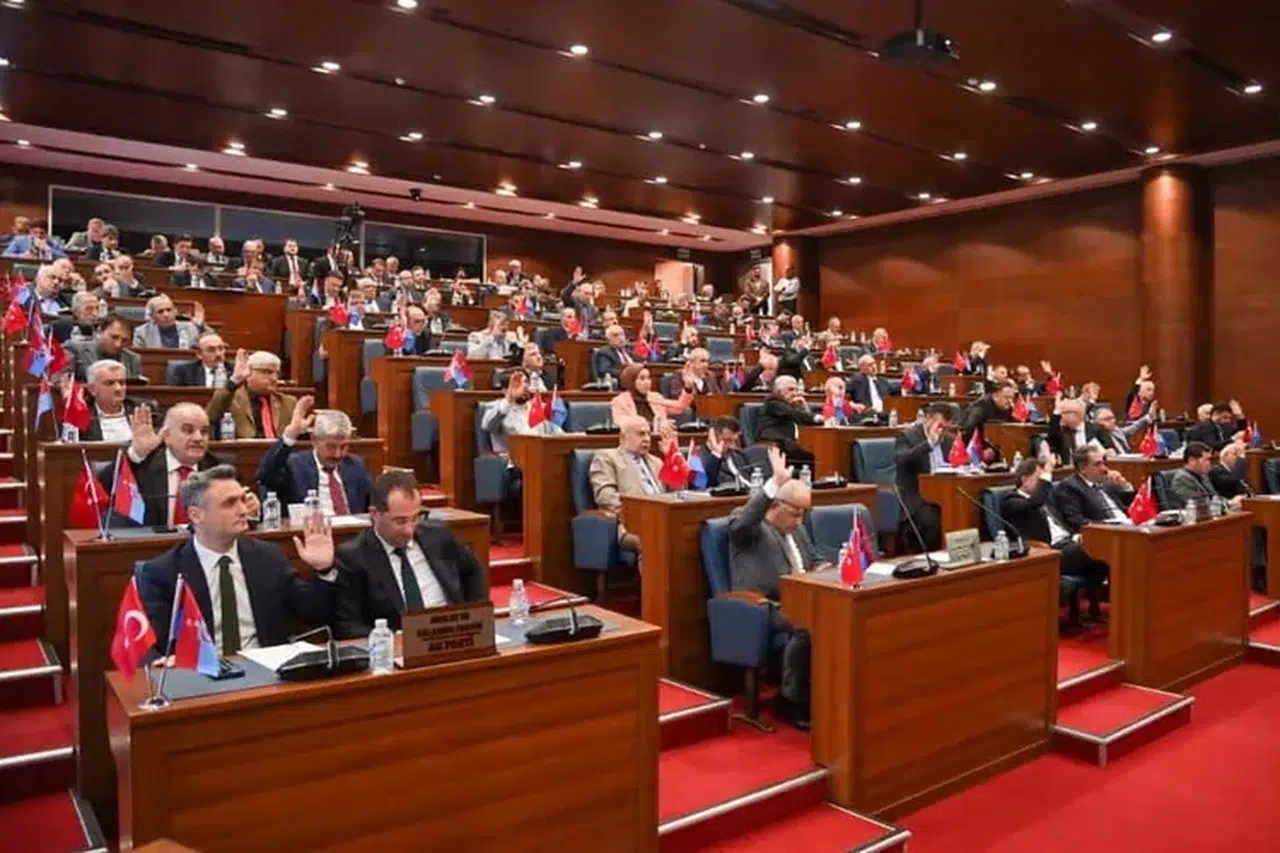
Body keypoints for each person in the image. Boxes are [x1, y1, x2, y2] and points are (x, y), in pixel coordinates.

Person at [138, 466, 336, 655]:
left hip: (266, 671)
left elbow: (314, 615)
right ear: (196, 515)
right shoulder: (163, 572)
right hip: (202, 674)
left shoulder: (267, 557)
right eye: (229, 503)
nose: (243, 510)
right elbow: (154, 645)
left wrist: (324, 569)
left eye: (242, 500)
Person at [728, 445, 828, 730]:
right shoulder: (750, 529)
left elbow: (814, 559)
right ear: (776, 506)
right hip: (764, 605)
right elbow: (742, 523)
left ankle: (825, 695)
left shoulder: (796, 528)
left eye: (803, 514)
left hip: (804, 596)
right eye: (795, 513)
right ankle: (789, 700)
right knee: (807, 624)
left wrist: (824, 567)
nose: (800, 521)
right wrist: (774, 483)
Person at [332, 471, 486, 638]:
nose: (409, 530)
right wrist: (392, 639)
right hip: (399, 649)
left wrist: (473, 618)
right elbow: (347, 625)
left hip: (451, 637)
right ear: (375, 514)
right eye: (400, 521)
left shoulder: (439, 535)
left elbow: (473, 570)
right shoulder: (354, 556)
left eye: (416, 518)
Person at [97, 402, 234, 528]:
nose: (198, 438)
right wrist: (137, 454)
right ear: (167, 435)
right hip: (151, 548)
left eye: (204, 432)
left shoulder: (220, 469)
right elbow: (102, 489)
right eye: (188, 430)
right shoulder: (143, 464)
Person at [1002, 458, 1107, 617]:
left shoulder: (1045, 500)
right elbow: (1034, 503)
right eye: (1039, 478)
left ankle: (1095, 606)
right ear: (1024, 479)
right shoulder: (1011, 501)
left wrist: (1076, 535)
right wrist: (1047, 476)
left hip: (1068, 542)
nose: (1043, 484)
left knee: (1107, 549)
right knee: (1099, 547)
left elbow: (1063, 521)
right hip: (1049, 552)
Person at [257, 402, 372, 513]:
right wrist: (290, 435)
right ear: (314, 440)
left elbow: (372, 504)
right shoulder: (294, 465)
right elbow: (265, 475)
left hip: (352, 531)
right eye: (331, 447)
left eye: (344, 447)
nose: (338, 454)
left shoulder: (355, 465)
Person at [587, 416, 670, 550]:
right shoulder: (606, 457)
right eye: (641, 434)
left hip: (662, 520)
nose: (647, 439)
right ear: (623, 438)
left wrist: (671, 456)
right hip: (630, 524)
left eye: (649, 434)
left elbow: (676, 493)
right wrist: (641, 513)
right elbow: (605, 496)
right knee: (653, 539)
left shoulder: (656, 462)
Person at [894, 402, 957, 552]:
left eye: (947, 427)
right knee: (932, 518)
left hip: (945, 493)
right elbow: (902, 459)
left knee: (962, 511)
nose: (943, 431)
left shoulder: (949, 439)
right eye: (940, 426)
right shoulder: (907, 436)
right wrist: (929, 443)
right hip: (915, 496)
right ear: (928, 419)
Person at [206, 350, 298, 439]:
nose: (274, 378)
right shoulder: (231, 398)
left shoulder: (288, 402)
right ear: (249, 372)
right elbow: (211, 416)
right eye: (267, 372)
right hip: (244, 452)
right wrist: (234, 381)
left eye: (277, 373)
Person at [1053, 446, 1136, 533]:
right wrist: (1109, 525)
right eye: (1097, 464)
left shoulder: (1106, 482)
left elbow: (1132, 504)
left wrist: (1124, 486)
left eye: (1103, 463)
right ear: (1082, 469)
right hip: (1109, 533)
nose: (1105, 469)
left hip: (1129, 525)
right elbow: (1076, 521)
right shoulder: (1070, 487)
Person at [481, 369, 565, 453]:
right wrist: (509, 399)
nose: (524, 386)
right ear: (505, 390)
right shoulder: (497, 407)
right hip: (513, 461)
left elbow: (557, 433)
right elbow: (487, 425)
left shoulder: (537, 407)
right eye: (517, 384)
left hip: (542, 456)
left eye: (525, 382)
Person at [73, 360, 154, 443]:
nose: (118, 388)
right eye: (110, 383)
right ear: (92, 389)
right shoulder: (80, 414)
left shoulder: (142, 409)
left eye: (121, 383)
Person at [757, 376, 823, 466]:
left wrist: (804, 407)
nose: (795, 393)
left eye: (796, 390)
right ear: (779, 391)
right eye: (791, 390)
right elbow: (791, 413)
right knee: (816, 457)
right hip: (777, 444)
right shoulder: (772, 402)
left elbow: (803, 419)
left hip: (791, 443)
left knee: (819, 452)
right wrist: (816, 417)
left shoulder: (790, 405)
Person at [610, 364, 692, 436]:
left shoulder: (656, 397)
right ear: (631, 381)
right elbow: (623, 424)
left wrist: (688, 387)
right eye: (642, 379)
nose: (647, 382)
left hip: (660, 441)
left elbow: (680, 407)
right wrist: (654, 425)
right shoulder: (619, 401)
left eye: (648, 378)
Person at [67, 315, 144, 382]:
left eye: (124, 340)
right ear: (100, 332)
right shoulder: (74, 349)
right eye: (114, 337)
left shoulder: (133, 359)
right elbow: (64, 384)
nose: (118, 344)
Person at [132, 294, 203, 348]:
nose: (166, 315)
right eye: (160, 312)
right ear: (152, 316)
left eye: (169, 310)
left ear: (175, 311)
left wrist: (200, 325)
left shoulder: (190, 327)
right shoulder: (141, 332)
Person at [700, 418, 751, 488]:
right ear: (713, 438)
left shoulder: (739, 456)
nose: (733, 446)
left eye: (735, 441)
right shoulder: (698, 459)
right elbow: (704, 484)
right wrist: (717, 452)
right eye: (728, 440)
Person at [1169, 441, 1218, 508]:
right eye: (1206, 460)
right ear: (1191, 460)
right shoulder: (1182, 479)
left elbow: (1214, 497)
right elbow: (1199, 503)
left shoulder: (1202, 476)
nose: (1209, 463)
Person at [1044, 397, 1089, 462]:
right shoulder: (1061, 433)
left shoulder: (1094, 428)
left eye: (1064, 412)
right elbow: (1053, 431)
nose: (1062, 416)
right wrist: (1057, 412)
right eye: (1062, 413)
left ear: (1080, 414)